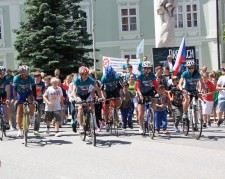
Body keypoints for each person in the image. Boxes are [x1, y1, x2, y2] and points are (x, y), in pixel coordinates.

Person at [178, 61, 205, 130]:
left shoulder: (197, 73)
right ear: (187, 68)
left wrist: (200, 90)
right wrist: (181, 88)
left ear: (194, 67)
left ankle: (195, 123)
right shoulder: (185, 73)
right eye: (189, 68)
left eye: (192, 68)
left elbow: (202, 83)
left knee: (195, 109)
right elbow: (180, 83)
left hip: (194, 89)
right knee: (187, 99)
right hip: (186, 89)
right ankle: (184, 113)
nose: (191, 69)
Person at [72, 66, 100, 133]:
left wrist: (100, 97)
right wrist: (76, 99)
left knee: (92, 105)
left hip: (87, 95)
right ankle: (81, 126)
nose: (84, 76)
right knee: (80, 108)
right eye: (82, 74)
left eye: (86, 74)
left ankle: (93, 124)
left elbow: (97, 89)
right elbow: (73, 91)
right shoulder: (77, 80)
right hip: (79, 95)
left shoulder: (90, 80)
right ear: (80, 74)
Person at [13, 65, 36, 137]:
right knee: (19, 109)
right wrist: (16, 99)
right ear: (20, 73)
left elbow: (34, 88)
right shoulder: (16, 78)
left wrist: (34, 98)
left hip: (28, 93)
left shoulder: (30, 78)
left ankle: (32, 116)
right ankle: (19, 129)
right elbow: (14, 90)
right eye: (24, 74)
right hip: (20, 93)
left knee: (31, 102)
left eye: (27, 73)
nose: (26, 75)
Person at [136, 61, 158, 134]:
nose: (147, 69)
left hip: (149, 91)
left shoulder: (152, 75)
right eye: (146, 68)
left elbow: (155, 85)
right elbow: (137, 87)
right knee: (141, 111)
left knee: (154, 99)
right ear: (143, 69)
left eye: (149, 68)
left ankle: (151, 113)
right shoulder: (140, 75)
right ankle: (141, 127)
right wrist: (140, 95)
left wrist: (159, 93)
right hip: (141, 92)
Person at [101, 66, 122, 132]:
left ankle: (115, 112)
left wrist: (120, 96)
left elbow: (120, 88)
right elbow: (102, 90)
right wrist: (103, 97)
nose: (109, 77)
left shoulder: (116, 77)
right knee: (106, 107)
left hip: (114, 90)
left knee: (118, 101)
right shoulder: (103, 78)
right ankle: (107, 123)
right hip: (107, 91)